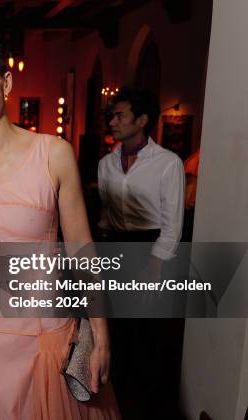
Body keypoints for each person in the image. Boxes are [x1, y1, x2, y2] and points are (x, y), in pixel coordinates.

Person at [0, 36, 119, 419]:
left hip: (41, 337)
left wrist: (101, 336)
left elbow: (82, 249)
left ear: (5, 83)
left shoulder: (53, 153)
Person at [98, 87, 185, 418]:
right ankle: (115, 402)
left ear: (143, 120)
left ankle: (146, 406)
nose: (113, 121)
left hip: (151, 249)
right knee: (115, 329)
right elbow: (105, 214)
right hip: (115, 246)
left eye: (120, 115)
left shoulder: (167, 163)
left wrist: (155, 264)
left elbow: (172, 224)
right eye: (112, 115)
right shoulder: (106, 163)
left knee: (147, 333)